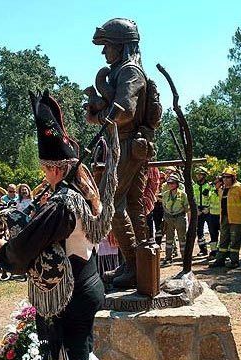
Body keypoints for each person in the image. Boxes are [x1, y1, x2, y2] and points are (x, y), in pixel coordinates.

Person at [0, 91, 116, 360]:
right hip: (86, 284)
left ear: (52, 168)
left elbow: (26, 246)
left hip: (72, 295)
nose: (43, 174)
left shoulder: (63, 202)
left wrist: (2, 250)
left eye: (45, 168)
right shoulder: (81, 192)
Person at [87, 18, 160, 289]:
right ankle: (137, 263)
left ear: (120, 45)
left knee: (111, 204)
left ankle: (133, 261)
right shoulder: (119, 72)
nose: (104, 52)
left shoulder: (130, 72)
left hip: (130, 145)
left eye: (107, 46)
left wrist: (99, 115)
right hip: (122, 145)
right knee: (132, 205)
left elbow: (124, 112)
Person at [210, 168, 241, 269]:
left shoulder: (239, 187)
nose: (225, 179)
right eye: (223, 177)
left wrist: (240, 210)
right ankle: (220, 260)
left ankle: (234, 261)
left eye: (228, 177)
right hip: (224, 218)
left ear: (233, 177)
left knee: (235, 240)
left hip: (236, 218)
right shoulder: (223, 189)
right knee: (223, 240)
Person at [161, 173, 189, 266]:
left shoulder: (183, 194)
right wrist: (167, 215)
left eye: (172, 183)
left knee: (182, 238)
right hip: (169, 218)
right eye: (169, 183)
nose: (170, 185)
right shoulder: (165, 194)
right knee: (169, 239)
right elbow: (164, 206)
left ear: (177, 184)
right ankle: (168, 257)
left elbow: (186, 207)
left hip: (180, 218)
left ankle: (184, 258)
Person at [192, 166, 213, 256]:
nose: (198, 176)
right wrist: (196, 210)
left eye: (200, 174)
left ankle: (214, 250)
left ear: (204, 175)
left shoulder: (209, 186)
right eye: (197, 174)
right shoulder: (194, 187)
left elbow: (214, 199)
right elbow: (192, 200)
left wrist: (208, 209)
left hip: (208, 211)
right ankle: (203, 250)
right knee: (199, 231)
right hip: (198, 211)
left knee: (212, 230)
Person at [207, 176, 222, 259]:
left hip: (221, 216)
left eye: (216, 182)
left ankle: (224, 252)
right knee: (213, 235)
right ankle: (213, 251)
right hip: (212, 216)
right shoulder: (212, 192)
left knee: (224, 235)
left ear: (220, 183)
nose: (214, 184)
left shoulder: (223, 191)